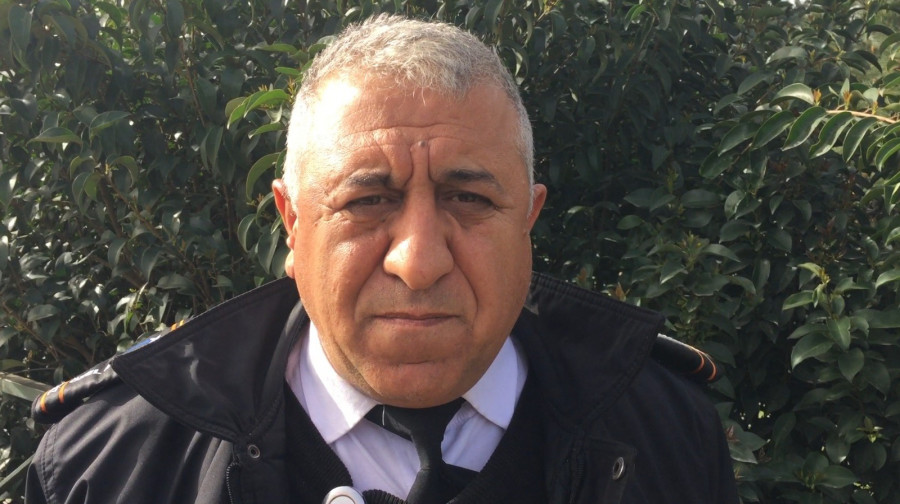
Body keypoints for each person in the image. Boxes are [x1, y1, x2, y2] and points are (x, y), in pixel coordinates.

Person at [25, 15, 739, 504]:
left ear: (528, 217)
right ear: (292, 223)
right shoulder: (107, 467)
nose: (418, 261)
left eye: (469, 198)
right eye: (367, 201)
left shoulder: (670, 433)